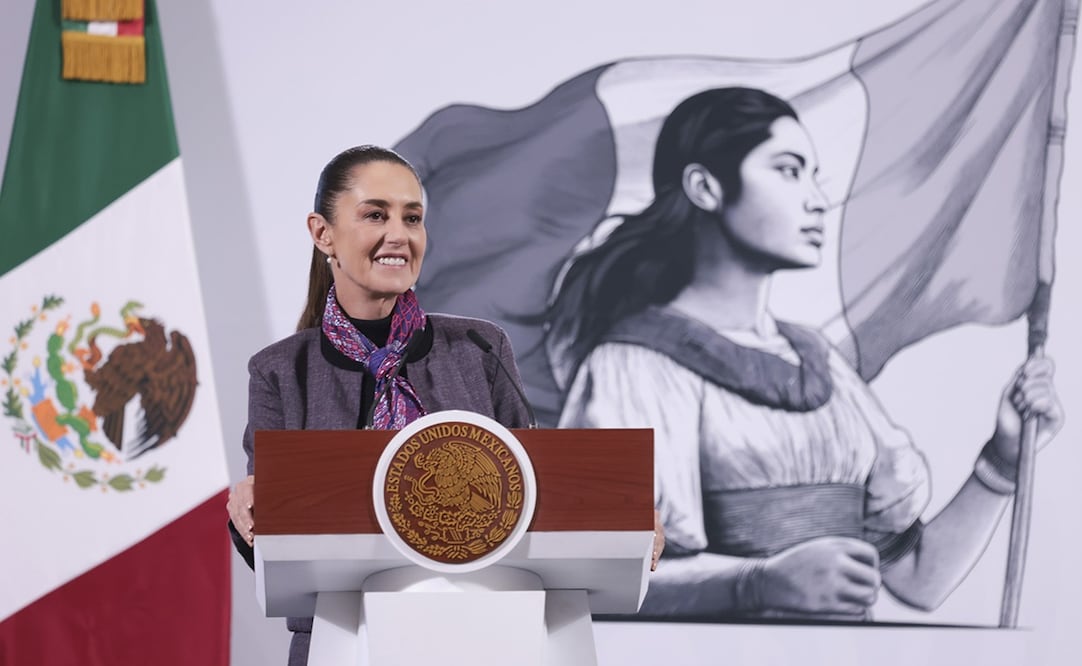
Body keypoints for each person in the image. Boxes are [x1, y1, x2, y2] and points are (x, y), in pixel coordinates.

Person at [548, 88, 1064, 621]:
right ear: (705, 187)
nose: (817, 199)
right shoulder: (624, 366)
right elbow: (584, 580)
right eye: (789, 171)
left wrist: (1003, 458)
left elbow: (918, 580)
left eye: (814, 175)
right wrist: (756, 583)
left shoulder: (822, 365)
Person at [224, 145, 667, 663]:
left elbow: (534, 497)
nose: (400, 235)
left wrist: (621, 519)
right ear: (323, 233)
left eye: (413, 218)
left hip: (492, 636)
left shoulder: (481, 349)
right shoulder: (280, 371)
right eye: (375, 215)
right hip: (342, 641)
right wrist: (249, 513)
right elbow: (273, 540)